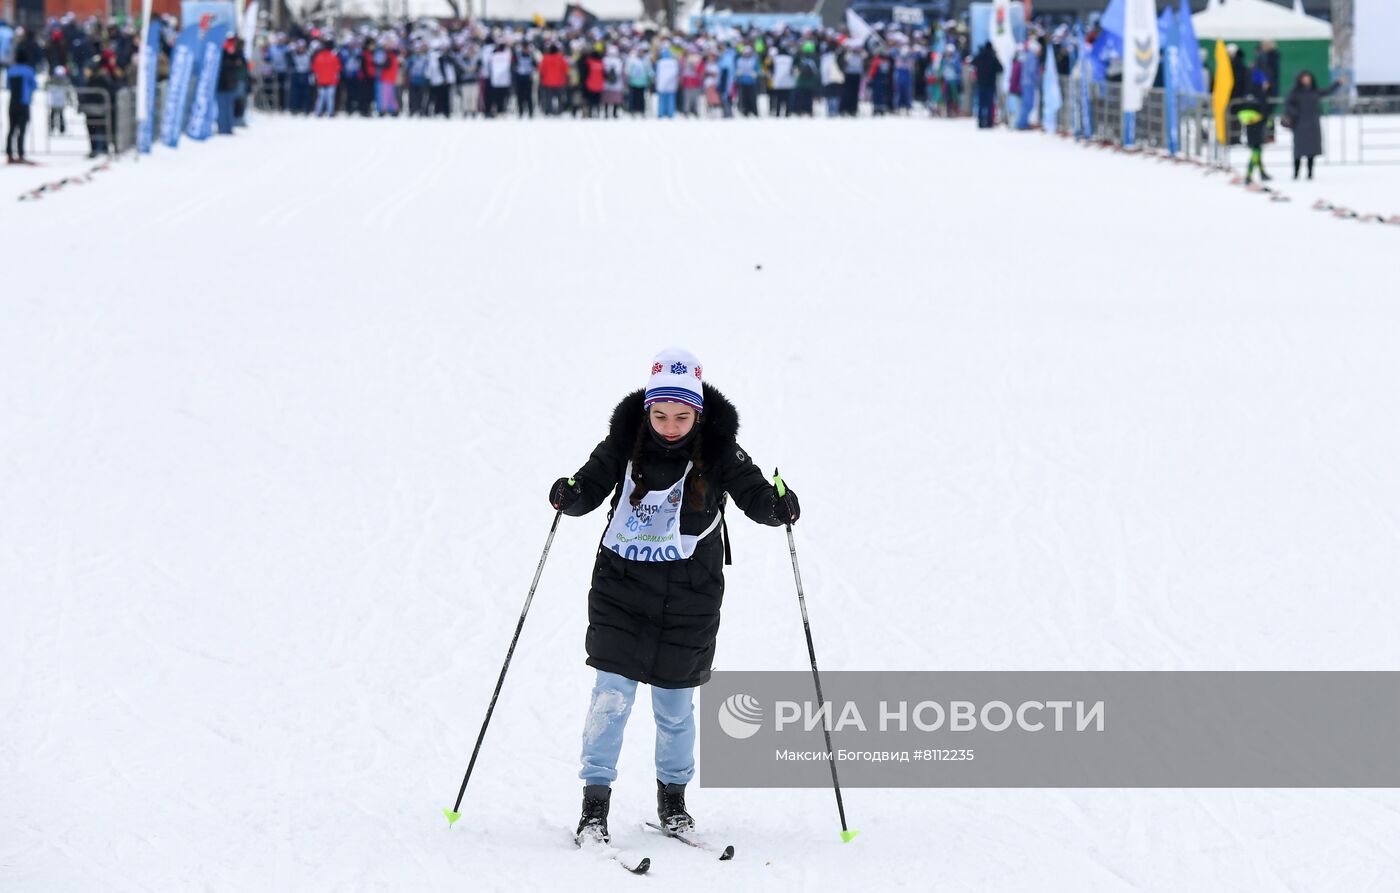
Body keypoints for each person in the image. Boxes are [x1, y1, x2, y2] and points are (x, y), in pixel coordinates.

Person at [549, 349, 801, 845]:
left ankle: (674, 804)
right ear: (647, 410)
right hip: (620, 590)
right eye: (660, 415)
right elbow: (589, 487)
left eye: (681, 416)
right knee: (611, 699)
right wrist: (569, 496)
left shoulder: (721, 450)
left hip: (691, 598)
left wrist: (777, 508)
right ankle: (594, 807)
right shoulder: (622, 445)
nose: (670, 426)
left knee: (674, 708)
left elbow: (754, 495)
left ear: (698, 413)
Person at [1283, 70, 1343, 181]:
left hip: (1313, 124)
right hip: (1299, 124)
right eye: (1304, 78)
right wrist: (1296, 114)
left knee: (1312, 150)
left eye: (1308, 78)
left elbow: (1327, 91)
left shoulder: (1314, 91)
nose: (1306, 80)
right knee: (1298, 151)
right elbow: (1288, 104)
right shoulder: (1295, 92)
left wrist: (1338, 83)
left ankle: (1310, 174)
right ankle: (1296, 174)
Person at [1237, 76, 1272, 184]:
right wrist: (1268, 123)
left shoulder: (1249, 92)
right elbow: (1264, 111)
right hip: (1258, 125)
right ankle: (1248, 174)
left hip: (1249, 124)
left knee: (1257, 149)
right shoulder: (1260, 94)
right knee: (1256, 150)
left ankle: (1262, 173)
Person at [973, 41, 1001, 128]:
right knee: (989, 104)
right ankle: (989, 122)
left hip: (980, 84)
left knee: (981, 104)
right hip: (990, 84)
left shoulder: (980, 56)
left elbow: (973, 62)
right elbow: (1000, 68)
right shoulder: (993, 57)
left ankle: (980, 122)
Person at [311, 39, 341, 118]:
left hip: (321, 81)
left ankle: (319, 112)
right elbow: (338, 68)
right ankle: (330, 113)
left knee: (321, 98)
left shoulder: (318, 56)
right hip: (331, 81)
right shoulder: (333, 56)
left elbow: (314, 68)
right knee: (330, 98)